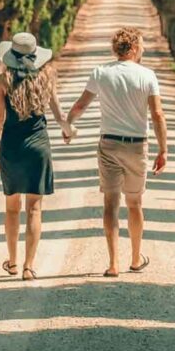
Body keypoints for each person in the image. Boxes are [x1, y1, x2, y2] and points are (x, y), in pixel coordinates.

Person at [65, 26, 167, 277]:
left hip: (109, 144)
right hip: (137, 145)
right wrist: (163, 148)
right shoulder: (147, 76)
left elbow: (80, 105)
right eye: (140, 45)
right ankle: (134, 258)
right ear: (133, 48)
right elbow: (157, 114)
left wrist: (68, 126)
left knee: (110, 204)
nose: (142, 49)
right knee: (135, 203)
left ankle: (113, 264)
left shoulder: (101, 73)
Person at [0, 31, 74, 281]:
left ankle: (12, 262)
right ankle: (29, 266)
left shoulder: (2, 80)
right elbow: (58, 114)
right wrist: (67, 130)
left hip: (11, 147)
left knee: (11, 208)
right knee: (34, 209)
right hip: (38, 147)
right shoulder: (47, 77)